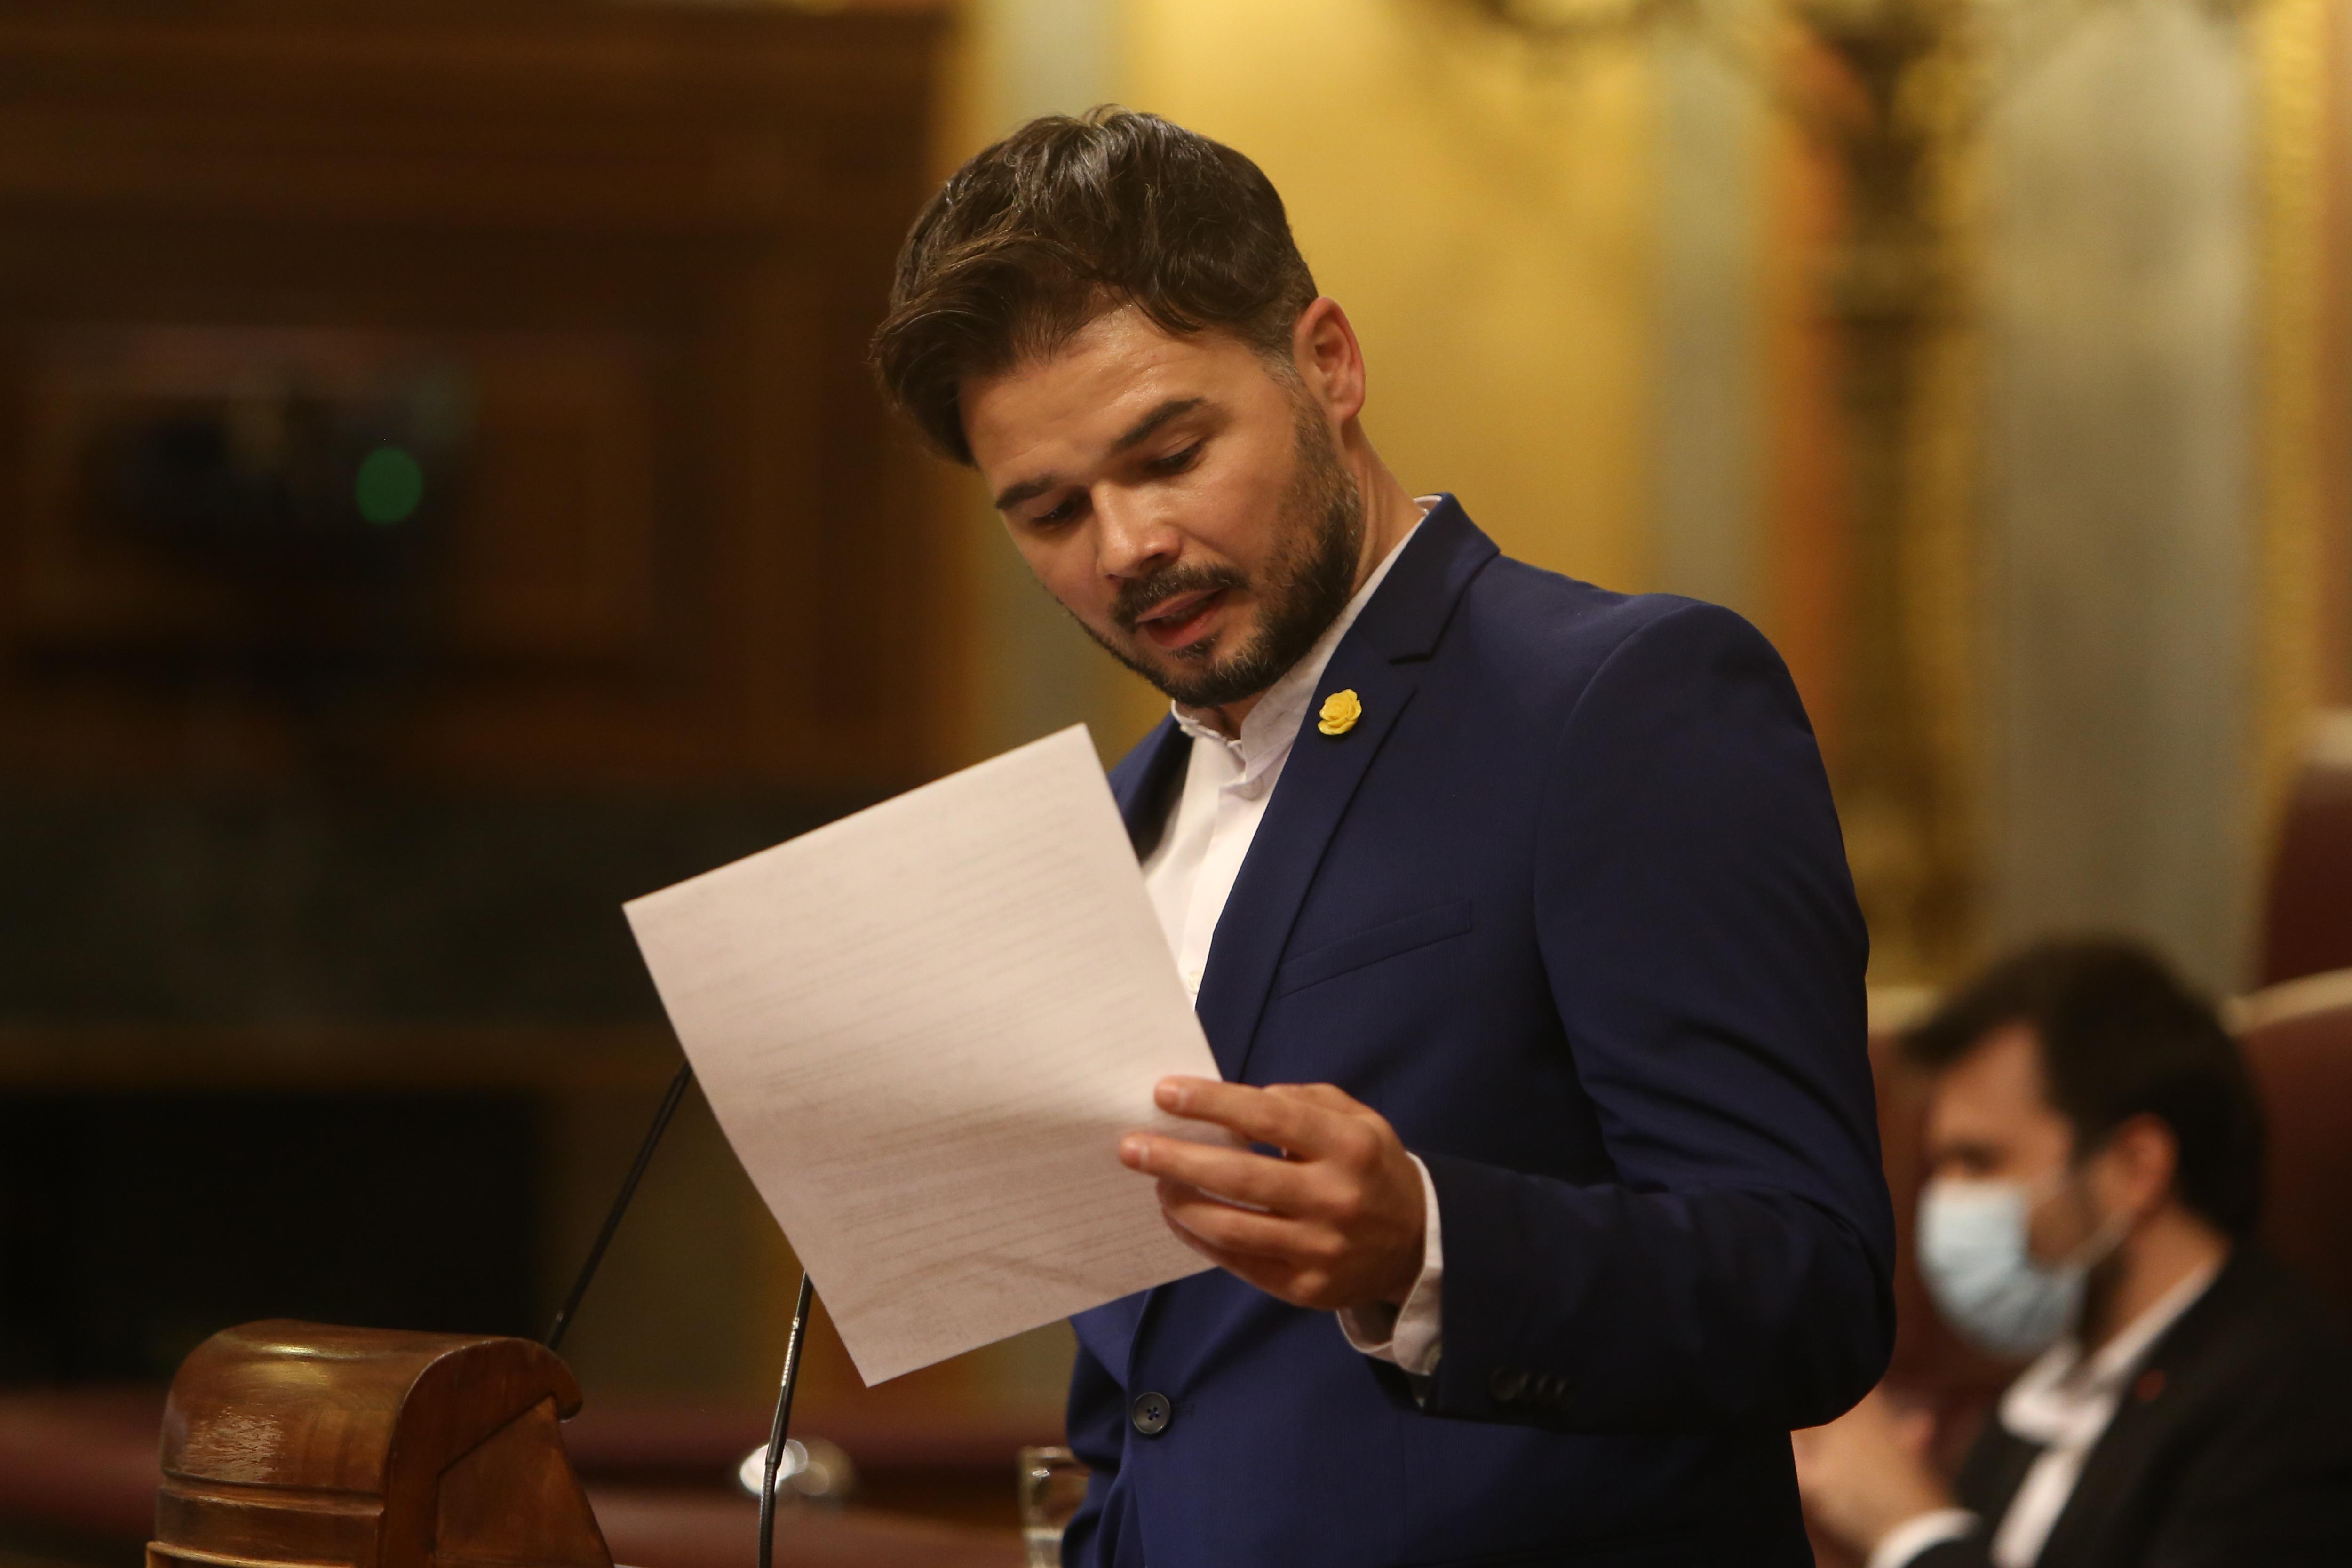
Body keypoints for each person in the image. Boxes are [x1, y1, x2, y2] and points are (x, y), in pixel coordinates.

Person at [869, 108, 1895, 1567]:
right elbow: (1148, 1399)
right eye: (1048, 511)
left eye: (1169, 451)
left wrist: (1427, 1241)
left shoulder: (1622, 700)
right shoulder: (1108, 817)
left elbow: (1811, 1287)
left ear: (1328, 363)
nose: (1122, 545)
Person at [1795, 939, 2352, 1568]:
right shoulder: (2052, 1382)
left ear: (2136, 1166)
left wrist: (1910, 1527)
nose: (1945, 1203)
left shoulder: (2285, 1400)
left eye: (1980, 1161)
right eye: (1940, 1168)